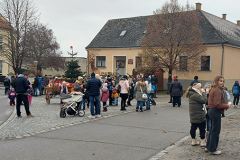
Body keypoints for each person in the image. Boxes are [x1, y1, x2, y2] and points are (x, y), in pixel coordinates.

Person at [205, 76, 232, 155]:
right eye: (220, 81)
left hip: (211, 110)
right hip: (215, 111)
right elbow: (217, 104)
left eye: (223, 81)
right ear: (216, 81)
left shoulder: (213, 89)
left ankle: (208, 147)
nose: (222, 82)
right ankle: (212, 149)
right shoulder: (217, 91)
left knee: (212, 130)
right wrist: (227, 106)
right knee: (215, 131)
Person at [186, 83, 207, 147]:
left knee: (193, 127)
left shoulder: (191, 93)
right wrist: (204, 93)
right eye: (200, 87)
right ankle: (202, 141)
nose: (201, 89)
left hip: (193, 114)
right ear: (198, 88)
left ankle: (193, 140)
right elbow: (204, 100)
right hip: (199, 114)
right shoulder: (195, 95)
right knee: (202, 128)